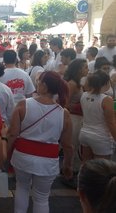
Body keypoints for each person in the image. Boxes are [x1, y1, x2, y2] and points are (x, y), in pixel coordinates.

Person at [7, 71, 74, 213]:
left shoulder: (23, 105)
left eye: (39, 81)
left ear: (44, 85)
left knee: (22, 188)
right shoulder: (64, 113)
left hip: (22, 155)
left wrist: (6, 156)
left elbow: (12, 134)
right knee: (42, 197)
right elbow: (68, 145)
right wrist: (68, 164)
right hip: (48, 160)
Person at [79, 70, 116, 162]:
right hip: (101, 137)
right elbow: (111, 123)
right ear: (107, 83)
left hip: (84, 134)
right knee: (102, 169)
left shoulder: (83, 95)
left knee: (86, 164)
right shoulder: (106, 99)